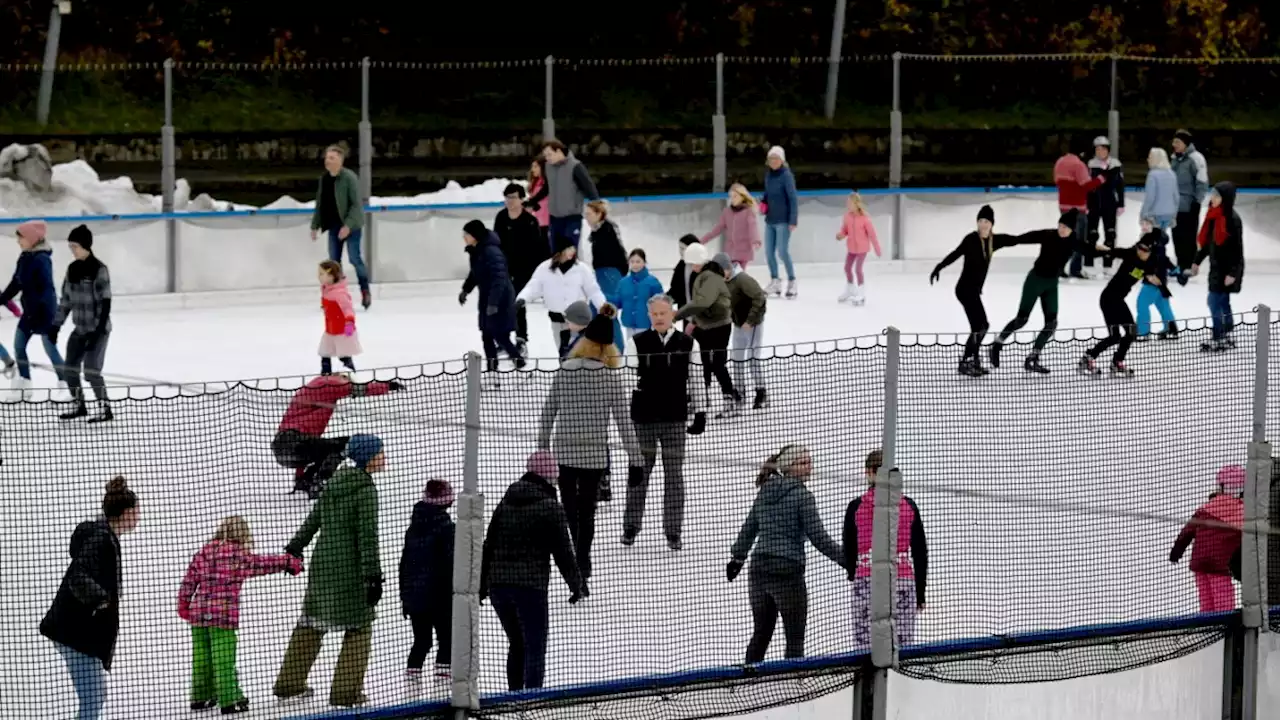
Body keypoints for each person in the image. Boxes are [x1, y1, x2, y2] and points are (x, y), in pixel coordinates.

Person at [274, 434, 386, 708]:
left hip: (323, 567)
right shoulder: (365, 490)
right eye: (379, 453)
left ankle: (289, 684)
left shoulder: (334, 482)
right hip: (351, 571)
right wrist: (372, 576)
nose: (384, 457)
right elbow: (367, 537)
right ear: (367, 458)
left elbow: (313, 520)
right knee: (359, 628)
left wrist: (295, 546)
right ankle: (346, 692)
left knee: (311, 623)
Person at [537, 307, 642, 581]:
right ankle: (583, 560)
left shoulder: (565, 371)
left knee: (569, 510)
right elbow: (624, 423)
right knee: (587, 512)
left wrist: (541, 451)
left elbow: (548, 414)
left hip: (565, 453)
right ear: (608, 347)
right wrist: (636, 460)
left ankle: (573, 561)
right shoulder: (610, 377)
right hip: (594, 458)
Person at [727, 445, 845, 663]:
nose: (810, 466)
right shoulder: (803, 496)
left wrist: (738, 558)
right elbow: (819, 537)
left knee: (761, 633)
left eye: (810, 461)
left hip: (759, 569)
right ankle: (792, 682)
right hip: (787, 571)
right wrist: (847, 561)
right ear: (788, 467)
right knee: (794, 637)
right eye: (803, 462)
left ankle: (747, 679)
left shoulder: (765, 491)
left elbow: (749, 527)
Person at [479, 451, 584, 691]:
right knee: (535, 645)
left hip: (499, 588)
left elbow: (489, 544)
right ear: (549, 478)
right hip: (530, 588)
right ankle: (533, 698)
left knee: (517, 643)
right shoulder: (551, 507)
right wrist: (576, 584)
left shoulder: (506, 502)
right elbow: (564, 553)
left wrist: (482, 583)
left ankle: (513, 697)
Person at [177, 516, 302, 714]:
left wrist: (184, 603)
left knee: (201, 657)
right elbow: (265, 563)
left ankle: (201, 697)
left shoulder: (204, 552)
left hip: (198, 615)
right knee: (224, 659)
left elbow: (189, 580)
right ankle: (230, 699)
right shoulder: (239, 556)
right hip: (223, 617)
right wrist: (289, 562)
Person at [39, 476, 140, 720]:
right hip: (74, 633)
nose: (139, 516)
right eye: (136, 511)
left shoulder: (104, 535)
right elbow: (77, 576)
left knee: (96, 696)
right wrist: (102, 600)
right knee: (93, 700)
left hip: (76, 632)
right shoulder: (101, 538)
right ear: (125, 513)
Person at [625, 294, 703, 551]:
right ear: (649, 315)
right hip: (643, 420)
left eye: (663, 313)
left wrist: (700, 411)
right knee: (639, 474)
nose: (659, 318)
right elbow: (626, 379)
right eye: (655, 314)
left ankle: (673, 531)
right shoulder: (636, 342)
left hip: (674, 420)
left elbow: (696, 377)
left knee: (674, 477)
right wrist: (628, 416)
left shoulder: (688, 343)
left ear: (673, 314)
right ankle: (631, 527)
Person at [987, 210, 1103, 375]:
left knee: (1051, 324)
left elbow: (1091, 251)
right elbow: (1021, 238)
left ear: (1072, 229)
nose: (1061, 229)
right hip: (1034, 281)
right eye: (1060, 225)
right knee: (1021, 320)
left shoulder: (1074, 241)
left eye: (1065, 227)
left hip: (1051, 284)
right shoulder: (1047, 235)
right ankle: (997, 344)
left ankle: (1033, 358)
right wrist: (997, 241)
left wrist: (1108, 250)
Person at [843, 449, 928, 651]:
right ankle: (898, 681)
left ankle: (868, 682)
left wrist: (851, 573)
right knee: (902, 646)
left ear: (869, 473)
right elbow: (920, 551)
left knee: (865, 646)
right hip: (903, 580)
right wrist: (921, 592)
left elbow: (849, 547)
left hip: (867, 580)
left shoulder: (855, 506)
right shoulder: (908, 505)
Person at [930, 205, 1028, 377]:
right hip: (964, 290)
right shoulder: (971, 239)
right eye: (980, 221)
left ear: (992, 224)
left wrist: (1044, 238)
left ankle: (972, 360)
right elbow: (956, 253)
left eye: (986, 221)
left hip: (974, 291)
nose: (983, 224)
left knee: (980, 326)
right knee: (981, 325)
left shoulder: (993, 241)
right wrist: (939, 267)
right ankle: (967, 361)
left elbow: (1016, 239)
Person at [272, 374, 400, 498]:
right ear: (342, 378)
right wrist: (387, 386)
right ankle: (321, 482)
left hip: (282, 449)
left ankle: (306, 481)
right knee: (340, 446)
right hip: (294, 441)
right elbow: (361, 389)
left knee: (323, 449)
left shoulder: (313, 388)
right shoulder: (329, 383)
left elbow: (304, 447)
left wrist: (299, 477)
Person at [1076, 234, 1167, 376]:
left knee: (1129, 332)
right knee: (1117, 336)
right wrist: (1099, 247)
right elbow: (1111, 251)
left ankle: (1116, 362)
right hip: (1108, 299)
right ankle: (1088, 358)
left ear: (1150, 251)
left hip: (1118, 300)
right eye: (1139, 248)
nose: (1141, 251)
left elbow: (1149, 275)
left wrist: (1160, 285)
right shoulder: (1130, 254)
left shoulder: (1150, 262)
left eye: (1145, 249)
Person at [0, 219, 69, 401]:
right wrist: (1, 299)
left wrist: (41, 311)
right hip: (29, 312)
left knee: (50, 349)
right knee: (19, 346)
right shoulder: (24, 257)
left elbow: (46, 288)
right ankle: (25, 383)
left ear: (31, 239)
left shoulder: (42, 259)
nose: (18, 241)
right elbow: (16, 282)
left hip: (45, 312)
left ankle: (66, 384)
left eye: (20, 238)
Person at [52, 224, 113, 422]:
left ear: (86, 246)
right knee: (70, 368)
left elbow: (106, 302)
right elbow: (66, 301)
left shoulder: (99, 269)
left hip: (98, 330)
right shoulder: (72, 269)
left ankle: (105, 408)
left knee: (91, 371)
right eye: (71, 247)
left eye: (75, 246)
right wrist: (56, 325)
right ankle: (79, 405)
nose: (73, 251)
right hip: (80, 329)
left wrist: (97, 332)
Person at [399, 479, 455, 681]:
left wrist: (405, 597)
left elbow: (404, 564)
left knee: (422, 641)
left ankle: (411, 681)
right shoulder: (447, 528)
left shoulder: (413, 528)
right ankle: (442, 681)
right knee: (447, 639)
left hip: (415, 597)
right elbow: (452, 561)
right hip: (440, 596)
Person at [675, 245, 740, 417]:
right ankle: (701, 398)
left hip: (718, 327)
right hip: (706, 325)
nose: (691, 267)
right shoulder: (705, 275)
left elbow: (702, 303)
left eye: (692, 263)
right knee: (702, 362)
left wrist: (678, 315)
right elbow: (702, 304)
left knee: (717, 364)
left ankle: (730, 398)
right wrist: (695, 322)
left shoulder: (710, 277)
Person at [1170, 465, 1245, 612]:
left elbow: (1188, 531)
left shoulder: (1207, 507)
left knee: (1206, 598)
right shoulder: (1243, 510)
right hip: (1220, 565)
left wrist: (1177, 550)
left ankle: (1207, 626)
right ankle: (1224, 627)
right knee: (1223, 600)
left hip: (1200, 561)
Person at [459, 220, 525, 384]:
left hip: (500, 298)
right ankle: (492, 372)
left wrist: (494, 303)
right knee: (487, 335)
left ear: (475, 236)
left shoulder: (491, 251)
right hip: (487, 297)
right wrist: (466, 289)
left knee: (500, 335)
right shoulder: (478, 251)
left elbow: (499, 278)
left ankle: (521, 366)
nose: (464, 238)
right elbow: (475, 273)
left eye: (466, 235)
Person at [517, 237, 607, 354]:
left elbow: (593, 290)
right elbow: (533, 287)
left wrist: (603, 306)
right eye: (568, 248)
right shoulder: (544, 268)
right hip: (557, 320)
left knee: (578, 352)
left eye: (573, 248)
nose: (572, 251)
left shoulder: (582, 269)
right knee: (562, 354)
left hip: (578, 321)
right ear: (559, 250)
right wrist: (521, 299)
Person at [309, 146, 370, 309]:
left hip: (352, 225)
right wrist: (315, 225)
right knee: (334, 264)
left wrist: (348, 226)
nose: (327, 161)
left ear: (340, 161)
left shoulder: (349, 178)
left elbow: (356, 205)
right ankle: (335, 295)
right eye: (327, 157)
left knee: (354, 258)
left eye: (332, 158)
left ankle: (365, 291)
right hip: (334, 225)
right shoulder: (324, 179)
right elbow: (320, 204)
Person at [1190, 182, 1244, 352]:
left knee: (1214, 301)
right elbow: (1206, 244)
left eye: (1216, 195)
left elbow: (1237, 250)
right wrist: (1197, 261)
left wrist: (1232, 273)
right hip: (1216, 268)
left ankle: (1219, 335)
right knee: (1222, 301)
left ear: (1225, 199)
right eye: (1212, 194)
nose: (1212, 198)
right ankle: (1226, 330)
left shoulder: (1232, 220)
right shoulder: (1214, 216)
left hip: (1228, 269)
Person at [495, 183, 548, 353]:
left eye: (513, 197)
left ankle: (521, 339)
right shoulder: (501, 218)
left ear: (522, 199)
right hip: (504, 268)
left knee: (517, 304)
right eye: (507, 198)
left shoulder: (530, 221)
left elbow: (536, 249)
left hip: (523, 269)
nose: (509, 201)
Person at [1053, 143, 1109, 279]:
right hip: (1077, 207)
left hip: (1064, 206)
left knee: (1065, 238)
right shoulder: (1078, 165)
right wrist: (1101, 179)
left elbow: (1056, 181)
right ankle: (1075, 269)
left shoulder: (1060, 162)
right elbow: (1086, 185)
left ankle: (1059, 267)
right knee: (1078, 240)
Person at [585, 200, 627, 354]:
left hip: (609, 273)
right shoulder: (599, 231)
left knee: (607, 311)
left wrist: (619, 273)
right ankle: (603, 346)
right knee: (598, 309)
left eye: (589, 214)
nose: (586, 217)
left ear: (599, 214)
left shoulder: (606, 230)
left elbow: (619, 254)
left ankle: (616, 349)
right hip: (604, 273)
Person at [541, 139, 601, 248]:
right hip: (554, 217)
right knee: (556, 252)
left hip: (572, 217)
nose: (547, 158)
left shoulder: (575, 166)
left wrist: (598, 210)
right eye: (545, 156)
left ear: (558, 151)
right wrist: (533, 200)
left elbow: (589, 188)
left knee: (570, 251)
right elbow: (547, 187)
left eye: (549, 154)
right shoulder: (548, 167)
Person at [726, 260, 768, 410]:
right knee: (737, 358)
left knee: (752, 358)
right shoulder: (725, 281)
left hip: (752, 325)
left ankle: (761, 392)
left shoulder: (744, 280)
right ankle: (740, 392)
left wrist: (751, 321)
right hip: (738, 324)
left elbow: (760, 298)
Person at [762, 146, 800, 299]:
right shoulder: (768, 176)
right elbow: (767, 194)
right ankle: (775, 281)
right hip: (770, 219)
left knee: (782, 251)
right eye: (771, 159)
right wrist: (763, 203)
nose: (773, 161)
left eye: (776, 158)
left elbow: (792, 198)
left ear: (782, 160)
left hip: (784, 220)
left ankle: (792, 281)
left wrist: (793, 220)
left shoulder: (787, 176)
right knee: (769, 252)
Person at [1134, 220, 1181, 342]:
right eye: (1142, 223)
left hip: (1153, 281)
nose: (1143, 226)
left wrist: (1142, 274)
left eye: (1147, 224)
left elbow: (1146, 261)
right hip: (1161, 280)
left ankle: (1142, 331)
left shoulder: (1151, 241)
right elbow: (1163, 259)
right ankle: (1171, 329)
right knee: (1163, 305)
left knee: (1142, 303)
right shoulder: (1157, 241)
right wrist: (1173, 269)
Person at [1171, 129, 1210, 272]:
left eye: (1177, 142)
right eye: (1174, 141)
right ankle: (1180, 263)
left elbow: (1202, 182)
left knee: (1188, 235)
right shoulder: (1174, 159)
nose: (1174, 144)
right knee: (1177, 235)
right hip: (1174, 205)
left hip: (1189, 204)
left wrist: (1197, 201)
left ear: (1186, 144)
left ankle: (1188, 264)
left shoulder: (1196, 158)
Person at [1085, 136, 1125, 274]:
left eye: (1103, 149)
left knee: (1110, 234)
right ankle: (1089, 263)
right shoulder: (1091, 164)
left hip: (1110, 204)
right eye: (1097, 149)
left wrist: (1121, 203)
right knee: (1091, 234)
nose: (1100, 152)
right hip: (1094, 204)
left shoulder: (1115, 164)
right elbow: (1087, 185)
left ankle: (1108, 264)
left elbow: (1120, 185)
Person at [700, 183, 762, 270]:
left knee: (739, 275)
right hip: (730, 251)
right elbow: (717, 229)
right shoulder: (727, 212)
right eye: (731, 196)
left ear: (742, 197)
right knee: (730, 274)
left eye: (735, 196)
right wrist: (702, 240)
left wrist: (756, 241)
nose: (732, 199)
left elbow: (753, 228)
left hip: (744, 251)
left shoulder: (748, 212)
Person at [835, 191, 882, 305]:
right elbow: (845, 230)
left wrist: (877, 249)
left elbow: (872, 235)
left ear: (856, 204)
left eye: (850, 203)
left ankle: (861, 293)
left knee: (858, 270)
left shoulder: (865, 219)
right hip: (851, 248)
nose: (848, 205)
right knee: (847, 268)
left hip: (862, 249)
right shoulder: (847, 217)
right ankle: (850, 288)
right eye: (848, 203)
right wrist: (840, 235)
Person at [317, 260, 360, 376]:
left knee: (344, 356)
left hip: (342, 331)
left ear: (331, 275)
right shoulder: (327, 290)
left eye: (321, 274)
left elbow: (348, 309)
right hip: (330, 330)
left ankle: (352, 377)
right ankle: (325, 377)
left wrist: (350, 323)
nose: (318, 276)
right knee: (325, 354)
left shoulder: (339, 293)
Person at [613, 249, 664, 345]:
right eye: (632, 261)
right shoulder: (623, 282)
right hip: (629, 325)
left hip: (647, 324)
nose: (635, 265)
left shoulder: (653, 282)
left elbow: (661, 303)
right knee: (632, 351)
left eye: (638, 261)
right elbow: (618, 301)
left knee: (645, 352)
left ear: (644, 262)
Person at [1140, 148, 1180, 236]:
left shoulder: (1153, 175)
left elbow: (1150, 198)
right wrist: (1174, 214)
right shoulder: (1172, 174)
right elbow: (1176, 197)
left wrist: (1143, 215)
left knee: (1150, 242)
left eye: (1150, 157)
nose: (1148, 159)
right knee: (1161, 240)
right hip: (1169, 214)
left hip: (1154, 215)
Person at [668, 234, 703, 318]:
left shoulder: (704, 268)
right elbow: (675, 291)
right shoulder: (680, 266)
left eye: (683, 249)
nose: (680, 252)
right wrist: (663, 300)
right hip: (686, 315)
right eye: (679, 248)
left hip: (702, 317)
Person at [524, 156, 552, 253]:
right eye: (532, 167)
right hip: (537, 221)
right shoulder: (535, 183)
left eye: (536, 166)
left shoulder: (548, 182)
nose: (532, 169)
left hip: (547, 221)